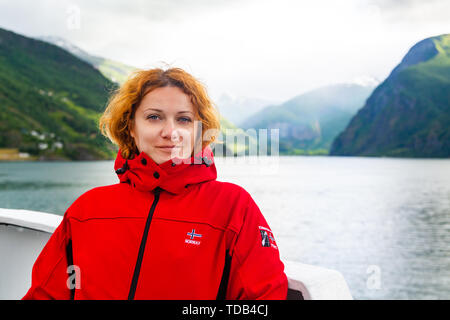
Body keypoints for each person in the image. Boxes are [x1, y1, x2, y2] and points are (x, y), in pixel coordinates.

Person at [22, 67, 288, 300]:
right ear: (131, 128)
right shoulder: (87, 210)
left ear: (199, 131)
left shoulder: (232, 206)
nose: (169, 132)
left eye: (183, 119)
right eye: (154, 117)